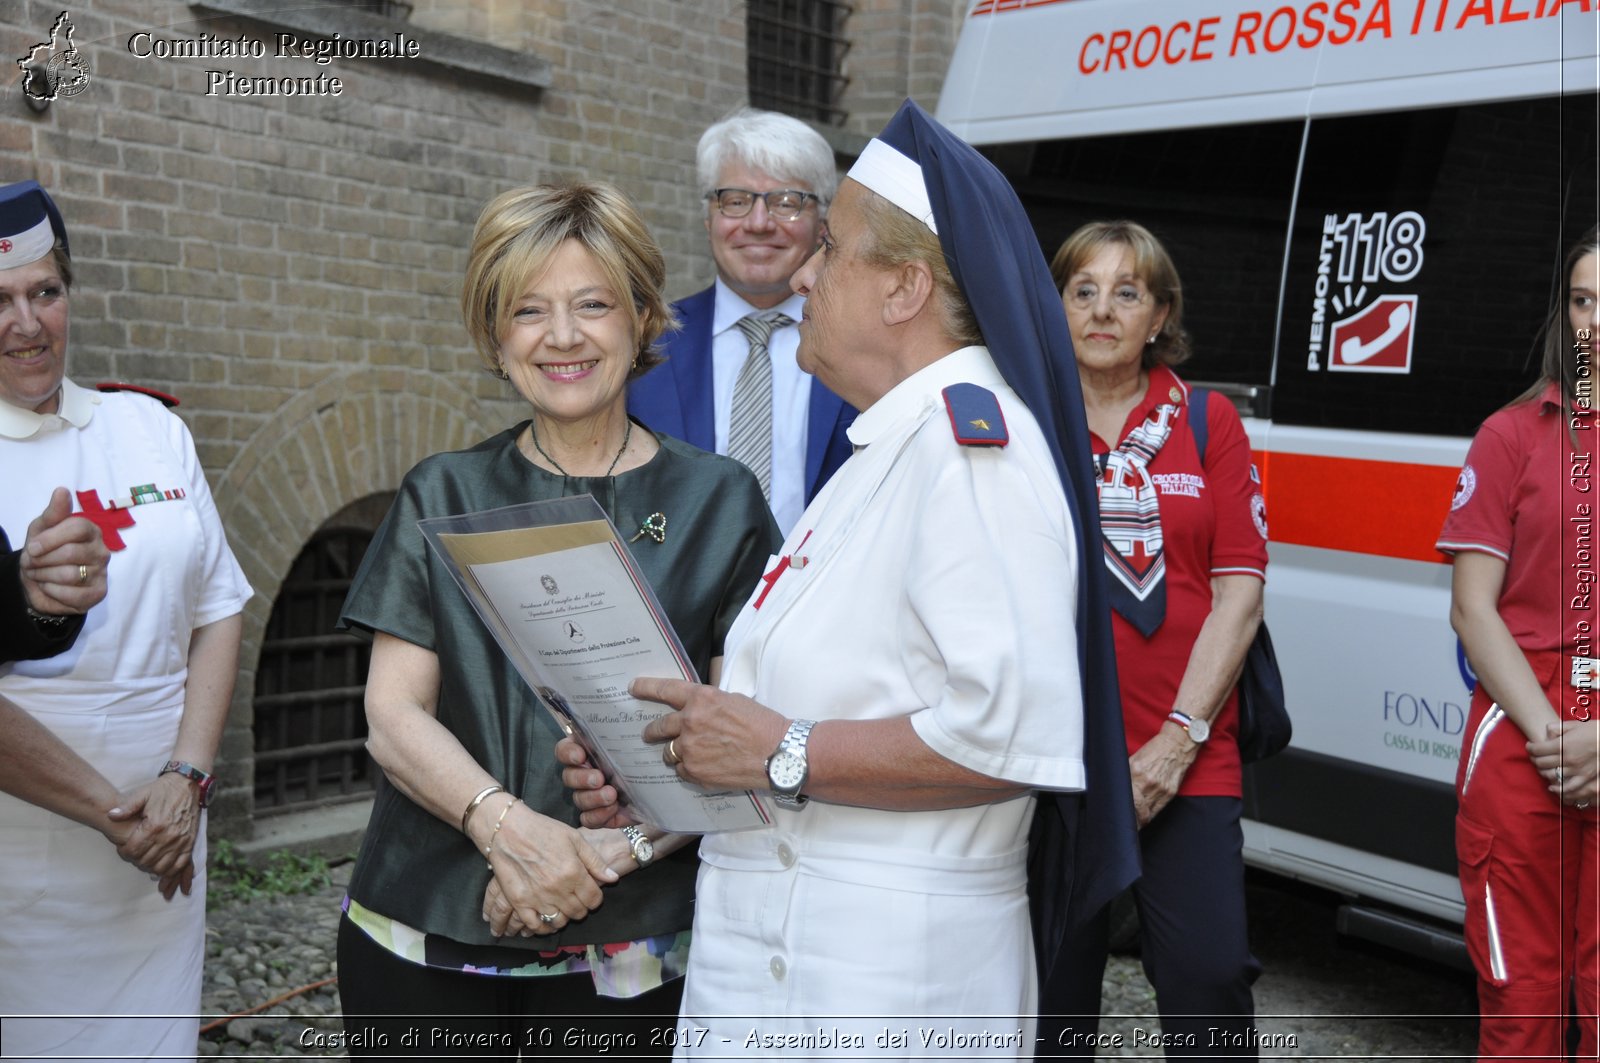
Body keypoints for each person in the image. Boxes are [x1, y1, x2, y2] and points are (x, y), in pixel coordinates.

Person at [566, 100, 1139, 1056]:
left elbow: (1012, 736)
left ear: (905, 288)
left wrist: (780, 748)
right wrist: (673, 763)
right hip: (789, 962)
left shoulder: (970, 452)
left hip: (888, 985)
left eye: (828, 247)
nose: (801, 270)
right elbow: (817, 705)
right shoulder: (887, 447)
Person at [334, 182, 781, 1056]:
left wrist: (583, 864)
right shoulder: (444, 490)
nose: (563, 336)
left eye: (593, 304)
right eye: (528, 310)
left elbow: (740, 736)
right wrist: (514, 832)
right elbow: (392, 717)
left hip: (635, 939)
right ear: (496, 338)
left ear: (645, 317)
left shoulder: (719, 498)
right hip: (427, 929)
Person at [0, 179, 253, 1060]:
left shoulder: (148, 427)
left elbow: (218, 608)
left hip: (166, 847)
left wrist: (185, 780)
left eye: (45, 292)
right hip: (25, 864)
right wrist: (123, 820)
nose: (26, 324)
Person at [1037, 220, 1266, 1058]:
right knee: (1051, 997)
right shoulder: (1029, 424)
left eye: (1126, 292)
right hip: (1056, 762)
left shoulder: (1208, 423)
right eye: (1082, 289)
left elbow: (1240, 590)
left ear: (1160, 314)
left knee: (1208, 983)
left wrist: (1178, 740)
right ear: (1055, 306)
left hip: (1188, 756)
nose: (1103, 310)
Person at [1437, 227, 1600, 1059]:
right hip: (1519, 731)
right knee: (1523, 1001)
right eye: (1582, 301)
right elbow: (1474, 608)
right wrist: (1554, 739)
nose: (1595, 325)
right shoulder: (1510, 436)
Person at [626, 107, 856, 533]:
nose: (758, 223)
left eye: (787, 203)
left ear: (823, 223)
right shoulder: (643, 345)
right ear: (708, 216)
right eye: (735, 201)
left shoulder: (865, 348)